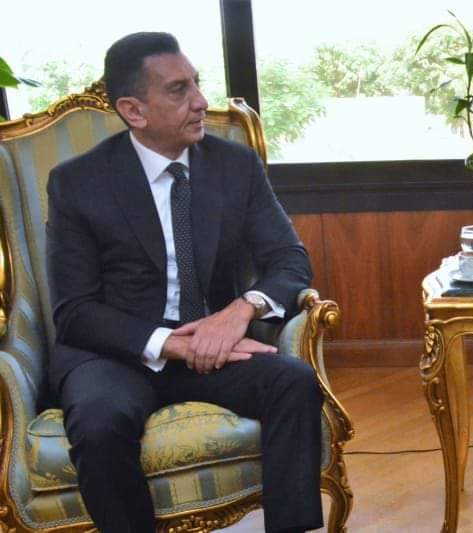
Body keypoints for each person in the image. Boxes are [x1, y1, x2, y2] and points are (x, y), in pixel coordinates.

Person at [46, 32, 321, 532]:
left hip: (215, 348)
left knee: (294, 382)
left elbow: (289, 260)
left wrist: (239, 311)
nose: (200, 101)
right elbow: (75, 310)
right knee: (99, 423)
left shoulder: (235, 165)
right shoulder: (78, 182)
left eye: (197, 83)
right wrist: (173, 343)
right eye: (178, 90)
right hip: (116, 354)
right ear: (133, 111)